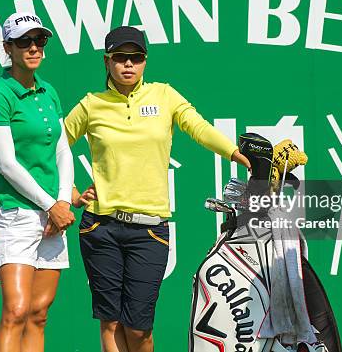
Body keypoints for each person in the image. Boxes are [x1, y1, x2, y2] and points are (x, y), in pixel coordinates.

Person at [64, 26, 252, 352]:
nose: (128, 64)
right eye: (120, 57)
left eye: (135, 58)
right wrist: (69, 192)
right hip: (100, 226)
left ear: (145, 61)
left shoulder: (164, 95)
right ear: (107, 61)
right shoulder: (91, 105)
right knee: (110, 323)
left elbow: (198, 127)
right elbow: (54, 149)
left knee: (139, 330)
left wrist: (235, 153)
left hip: (148, 231)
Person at [0, 12, 76, 352]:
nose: (34, 48)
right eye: (24, 42)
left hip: (53, 217)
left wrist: (61, 202)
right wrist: (51, 205)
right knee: (16, 311)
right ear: (8, 48)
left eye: (39, 40)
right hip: (14, 214)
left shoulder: (49, 92)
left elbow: (63, 152)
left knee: (38, 313)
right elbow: (7, 164)